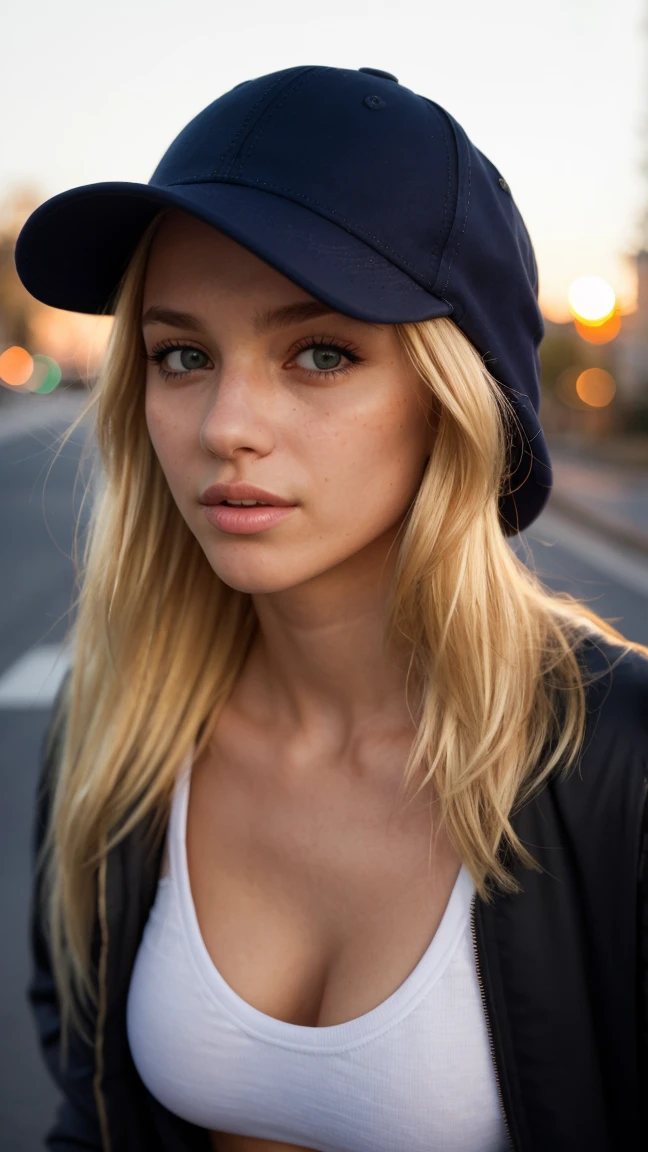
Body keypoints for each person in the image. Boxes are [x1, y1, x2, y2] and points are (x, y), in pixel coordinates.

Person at [15, 65, 648, 1152]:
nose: (226, 424)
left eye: (320, 353)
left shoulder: (623, 762)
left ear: (455, 396)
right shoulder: (113, 731)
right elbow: (93, 1111)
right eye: (183, 355)